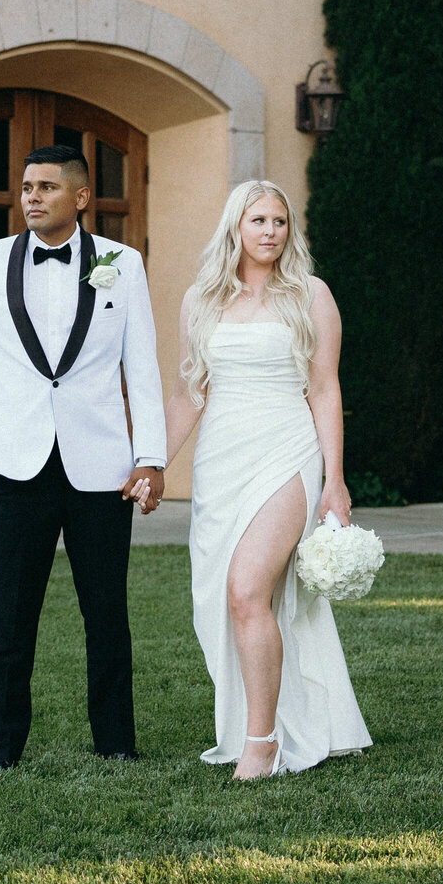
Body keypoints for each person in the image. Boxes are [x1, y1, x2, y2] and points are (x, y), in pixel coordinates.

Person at [0, 143, 166, 768]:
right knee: (8, 619)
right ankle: (2, 751)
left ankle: (116, 745)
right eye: (25, 187)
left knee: (107, 616)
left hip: (102, 468)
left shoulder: (124, 264)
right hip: (16, 465)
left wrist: (151, 457)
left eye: (45, 186)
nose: (31, 197)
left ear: (82, 197)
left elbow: (142, 369)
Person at [161, 178, 371, 779]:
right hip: (222, 460)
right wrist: (153, 465)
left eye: (280, 221)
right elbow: (187, 393)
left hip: (288, 452)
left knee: (247, 588)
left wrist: (335, 480)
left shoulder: (310, 294)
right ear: (236, 226)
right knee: (224, 600)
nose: (271, 232)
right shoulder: (201, 298)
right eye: (259, 221)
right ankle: (276, 723)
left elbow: (324, 388)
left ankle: (262, 742)